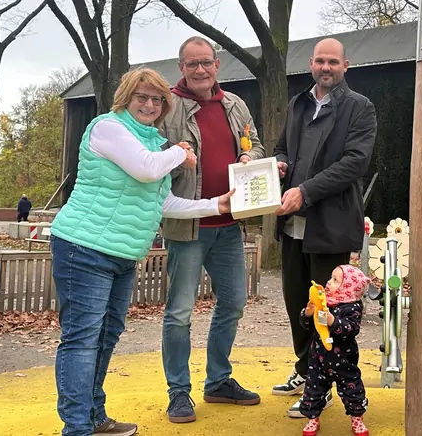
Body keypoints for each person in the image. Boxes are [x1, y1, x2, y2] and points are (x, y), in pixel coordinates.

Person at [49, 68, 234, 436]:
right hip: (84, 247)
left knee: (106, 335)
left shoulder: (152, 143)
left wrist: (217, 205)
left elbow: (163, 201)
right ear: (126, 97)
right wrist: (180, 153)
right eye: (142, 97)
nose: (150, 105)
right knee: (82, 339)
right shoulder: (108, 128)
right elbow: (147, 171)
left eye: (157, 100)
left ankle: (94, 416)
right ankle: (77, 428)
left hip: (122, 254)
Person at [159, 36, 265, 423]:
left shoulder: (235, 105)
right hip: (187, 226)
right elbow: (152, 163)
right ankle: (179, 392)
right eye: (192, 64)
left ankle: (218, 381)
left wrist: (247, 155)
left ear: (217, 65)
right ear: (181, 67)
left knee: (234, 303)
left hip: (229, 225)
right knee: (180, 313)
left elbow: (256, 145)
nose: (200, 70)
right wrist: (176, 157)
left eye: (206, 63)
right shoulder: (167, 108)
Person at [272, 38, 377, 418]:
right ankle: (306, 371)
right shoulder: (299, 103)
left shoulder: (360, 108)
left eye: (333, 61)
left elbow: (355, 163)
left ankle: (326, 387)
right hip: (292, 225)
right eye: (320, 61)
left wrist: (306, 191)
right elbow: (281, 147)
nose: (326, 67)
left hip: (329, 225)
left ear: (345, 66)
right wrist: (280, 165)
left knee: (327, 312)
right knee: (297, 306)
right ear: (311, 64)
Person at [298, 265, 370, 436]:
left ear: (348, 288)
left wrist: (332, 321)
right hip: (318, 359)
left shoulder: (352, 307)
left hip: (344, 361)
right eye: (331, 278)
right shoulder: (323, 301)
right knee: (312, 390)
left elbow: (350, 330)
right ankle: (312, 419)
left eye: (336, 280)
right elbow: (309, 326)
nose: (329, 282)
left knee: (353, 390)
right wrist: (307, 313)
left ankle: (357, 418)